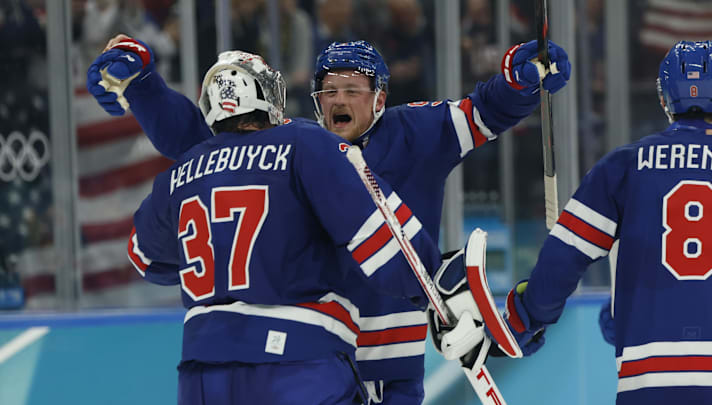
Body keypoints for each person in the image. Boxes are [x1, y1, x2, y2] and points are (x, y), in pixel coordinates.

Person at [88, 35, 571, 404]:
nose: (339, 99)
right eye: (328, 89)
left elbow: (484, 111)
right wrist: (436, 287)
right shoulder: (298, 144)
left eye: (353, 89)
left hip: (379, 353)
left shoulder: (416, 131)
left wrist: (518, 81)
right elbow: (213, 143)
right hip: (316, 353)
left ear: (380, 97)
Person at [119, 45, 448, 404]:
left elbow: (144, 257)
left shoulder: (179, 174)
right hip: (297, 361)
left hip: (201, 370)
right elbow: (381, 237)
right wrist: (439, 290)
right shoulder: (303, 142)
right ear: (266, 95)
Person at [478, 40, 712, 404]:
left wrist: (526, 316)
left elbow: (564, 258)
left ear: (662, 98)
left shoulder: (624, 166)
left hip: (648, 379)